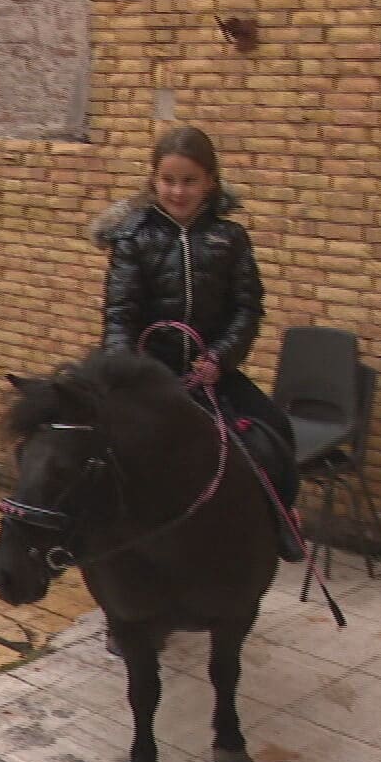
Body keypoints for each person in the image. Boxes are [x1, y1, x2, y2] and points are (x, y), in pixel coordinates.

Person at [94, 125, 303, 561]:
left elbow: (248, 309)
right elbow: (120, 315)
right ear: (154, 179)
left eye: (189, 181)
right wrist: (129, 373)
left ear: (210, 181)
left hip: (210, 371)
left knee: (274, 428)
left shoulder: (230, 239)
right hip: (151, 373)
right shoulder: (134, 239)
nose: (178, 191)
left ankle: (281, 520)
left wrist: (220, 359)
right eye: (169, 180)